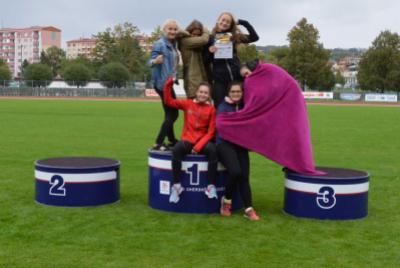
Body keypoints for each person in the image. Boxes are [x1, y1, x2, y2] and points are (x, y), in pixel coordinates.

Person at [216, 60, 325, 176]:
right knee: (288, 136)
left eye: (247, 74)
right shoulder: (266, 73)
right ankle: (294, 163)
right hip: (289, 106)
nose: (247, 79)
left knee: (294, 135)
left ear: (254, 70)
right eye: (244, 76)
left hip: (292, 106)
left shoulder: (267, 71)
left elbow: (257, 102)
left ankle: (299, 164)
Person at [162, 77, 218, 203]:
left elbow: (211, 132)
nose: (203, 94)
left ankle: (210, 186)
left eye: (205, 93)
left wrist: (198, 147)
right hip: (187, 140)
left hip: (202, 141)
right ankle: (176, 186)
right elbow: (168, 101)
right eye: (201, 92)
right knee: (177, 149)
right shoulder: (187, 104)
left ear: (209, 96)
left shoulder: (212, 109)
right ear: (196, 92)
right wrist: (169, 83)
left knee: (213, 150)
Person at [216, 82, 260, 220]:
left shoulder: (244, 106)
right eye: (233, 91)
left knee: (244, 177)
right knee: (235, 172)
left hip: (240, 144)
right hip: (224, 143)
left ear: (242, 93)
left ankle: (248, 209)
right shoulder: (223, 107)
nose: (236, 94)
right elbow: (221, 127)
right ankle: (226, 201)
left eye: (238, 91)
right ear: (228, 93)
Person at [204, 12, 259, 107]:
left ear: (231, 24)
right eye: (223, 20)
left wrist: (243, 22)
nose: (224, 23)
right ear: (218, 21)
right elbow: (205, 61)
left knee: (243, 108)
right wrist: (210, 51)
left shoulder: (233, 37)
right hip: (220, 82)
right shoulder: (210, 39)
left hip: (237, 78)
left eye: (228, 22)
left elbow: (255, 37)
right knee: (220, 110)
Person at [148, 19, 180, 151]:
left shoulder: (173, 44)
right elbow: (149, 62)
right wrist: (155, 61)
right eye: (169, 29)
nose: (172, 31)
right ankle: (158, 142)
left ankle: (172, 140)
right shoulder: (160, 44)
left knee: (169, 113)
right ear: (164, 30)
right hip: (162, 84)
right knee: (174, 114)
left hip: (168, 82)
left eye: (174, 29)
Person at [178, 20, 210, 99]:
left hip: (201, 81)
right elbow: (204, 40)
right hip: (192, 82)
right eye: (194, 34)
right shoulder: (185, 41)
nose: (196, 37)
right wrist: (205, 31)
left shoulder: (198, 46)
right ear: (189, 32)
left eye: (198, 35)